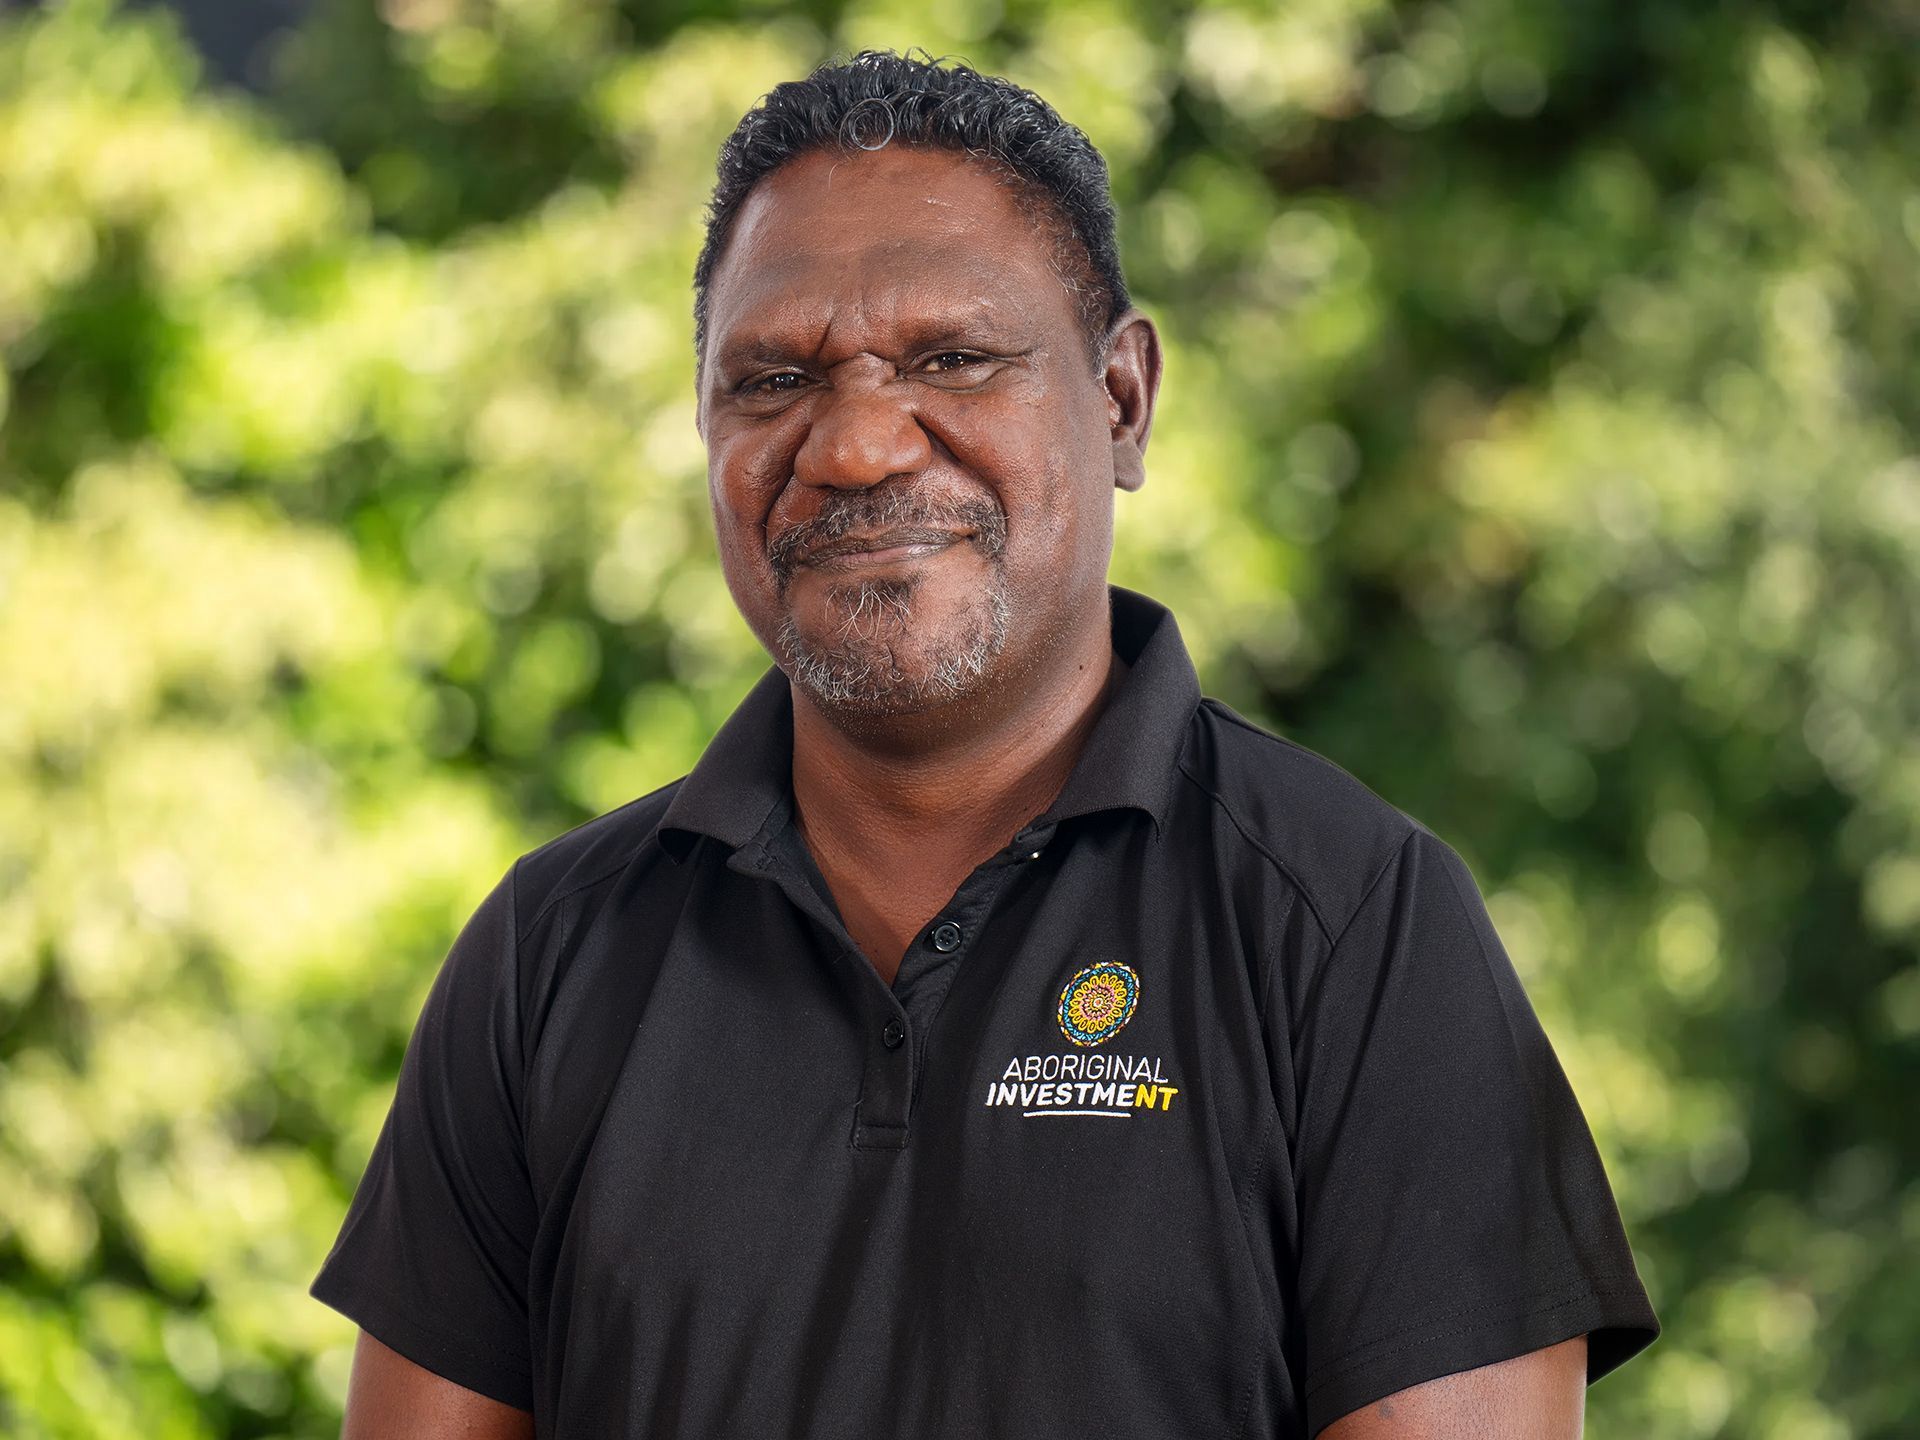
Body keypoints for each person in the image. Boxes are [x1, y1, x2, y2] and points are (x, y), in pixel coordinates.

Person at [312, 51, 1658, 1439]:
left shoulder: (1352, 926)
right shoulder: (550, 954)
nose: (857, 446)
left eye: (952, 358)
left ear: (1124, 401)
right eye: (773, 379)